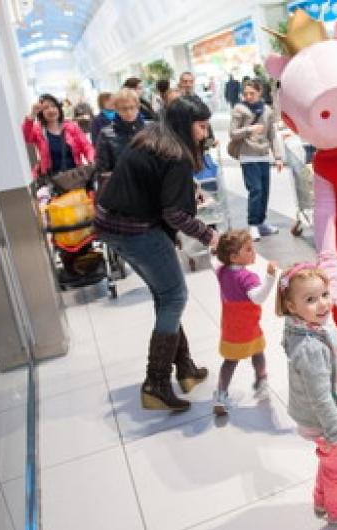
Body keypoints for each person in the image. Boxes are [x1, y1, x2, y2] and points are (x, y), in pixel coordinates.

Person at [94, 96, 216, 411]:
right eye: (200, 126)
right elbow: (175, 213)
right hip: (136, 230)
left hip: (111, 224)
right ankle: (156, 383)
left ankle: (185, 369)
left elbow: (156, 189)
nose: (204, 134)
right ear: (184, 125)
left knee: (166, 296)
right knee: (174, 296)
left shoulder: (150, 138)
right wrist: (209, 235)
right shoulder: (176, 155)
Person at [276, 263, 337, 526]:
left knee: (328, 462)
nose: (322, 304)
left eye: (324, 295)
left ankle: (321, 499)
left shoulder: (307, 327)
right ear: (291, 306)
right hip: (325, 422)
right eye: (310, 299)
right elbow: (321, 398)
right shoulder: (308, 347)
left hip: (319, 420)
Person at [212, 230, 277, 416]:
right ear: (234, 256)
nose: (253, 252)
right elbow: (258, 298)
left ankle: (221, 395)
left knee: (230, 362)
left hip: (231, 328)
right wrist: (270, 277)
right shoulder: (247, 278)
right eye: (248, 249)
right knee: (258, 353)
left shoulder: (222, 271)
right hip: (250, 328)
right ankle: (261, 381)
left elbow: (214, 262)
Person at [229, 79, 284, 241]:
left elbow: (272, 135)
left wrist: (278, 157)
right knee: (256, 190)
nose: (248, 96)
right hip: (248, 156)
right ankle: (253, 224)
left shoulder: (267, 110)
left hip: (263, 156)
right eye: (245, 93)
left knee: (265, 191)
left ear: (259, 93)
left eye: (252, 93)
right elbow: (232, 133)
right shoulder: (239, 109)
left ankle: (261, 223)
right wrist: (249, 129)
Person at [22, 93, 95, 180]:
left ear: (59, 109)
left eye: (53, 106)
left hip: (75, 177)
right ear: (41, 113)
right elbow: (26, 136)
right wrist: (32, 114)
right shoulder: (39, 130)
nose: (51, 110)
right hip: (53, 181)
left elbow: (86, 147)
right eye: (46, 108)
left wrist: (91, 160)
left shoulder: (71, 126)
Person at [94, 88, 145, 178]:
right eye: (124, 109)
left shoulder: (151, 130)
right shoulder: (106, 135)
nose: (129, 112)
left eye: (132, 107)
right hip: (122, 186)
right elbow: (102, 170)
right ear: (116, 109)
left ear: (138, 107)